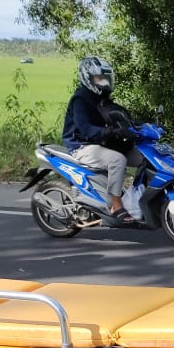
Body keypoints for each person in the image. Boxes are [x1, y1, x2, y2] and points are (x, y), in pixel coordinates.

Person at [61, 56, 144, 227]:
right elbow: (85, 129)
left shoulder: (100, 97)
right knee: (117, 160)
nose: (104, 82)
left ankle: (137, 198)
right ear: (88, 78)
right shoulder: (81, 99)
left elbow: (116, 115)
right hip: (82, 145)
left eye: (106, 78)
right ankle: (116, 205)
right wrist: (108, 131)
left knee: (145, 158)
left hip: (101, 142)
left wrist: (136, 127)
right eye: (99, 78)